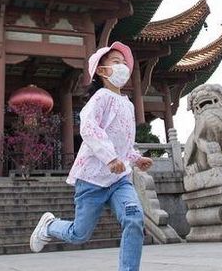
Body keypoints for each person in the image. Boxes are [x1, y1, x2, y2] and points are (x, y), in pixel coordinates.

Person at [29, 42, 153, 271]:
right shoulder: (100, 97)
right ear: (102, 70)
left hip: (119, 180)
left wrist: (136, 158)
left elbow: (123, 141)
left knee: (134, 218)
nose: (123, 67)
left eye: (124, 63)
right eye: (116, 62)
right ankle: (49, 226)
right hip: (92, 179)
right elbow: (89, 128)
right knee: (79, 234)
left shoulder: (127, 105)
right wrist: (110, 158)